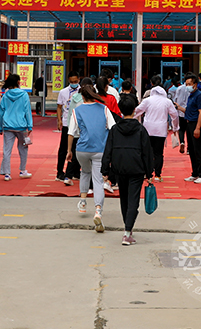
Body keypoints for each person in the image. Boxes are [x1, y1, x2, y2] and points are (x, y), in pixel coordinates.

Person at [102, 94, 153, 246]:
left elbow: (108, 150)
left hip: (119, 168)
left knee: (124, 199)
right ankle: (127, 232)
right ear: (135, 109)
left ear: (120, 110)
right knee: (133, 201)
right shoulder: (140, 130)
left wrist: (105, 171)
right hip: (136, 168)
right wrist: (150, 172)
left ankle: (127, 228)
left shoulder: (115, 129)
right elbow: (147, 152)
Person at [71, 80, 112, 233]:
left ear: (82, 96)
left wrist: (69, 150)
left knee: (84, 172)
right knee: (98, 180)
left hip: (82, 149)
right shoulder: (104, 109)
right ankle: (98, 211)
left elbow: (71, 132)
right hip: (100, 149)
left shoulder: (77, 110)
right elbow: (112, 128)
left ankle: (82, 202)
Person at [135, 83, 176, 181]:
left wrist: (129, 118)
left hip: (148, 129)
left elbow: (138, 111)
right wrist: (175, 127)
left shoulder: (147, 100)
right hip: (160, 131)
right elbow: (174, 115)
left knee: (146, 152)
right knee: (158, 153)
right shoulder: (167, 101)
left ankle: (147, 173)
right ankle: (158, 175)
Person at [0, 74, 32, 180]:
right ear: (18, 82)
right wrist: (29, 125)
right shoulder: (24, 95)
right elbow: (27, 110)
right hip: (21, 125)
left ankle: (6, 173)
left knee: (7, 150)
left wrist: (0, 126)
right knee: (23, 148)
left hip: (8, 126)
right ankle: (23, 170)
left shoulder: (6, 96)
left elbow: (1, 112)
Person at [55, 75, 82, 185]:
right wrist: (59, 120)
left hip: (78, 124)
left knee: (77, 149)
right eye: (71, 81)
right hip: (67, 121)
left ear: (79, 80)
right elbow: (59, 107)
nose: (73, 83)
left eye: (75, 81)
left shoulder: (82, 91)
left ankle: (75, 172)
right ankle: (60, 172)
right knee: (64, 149)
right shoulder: (63, 92)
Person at [182, 75, 201, 184]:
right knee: (191, 150)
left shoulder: (199, 96)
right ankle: (195, 173)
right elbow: (189, 111)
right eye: (186, 84)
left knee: (198, 150)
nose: (187, 86)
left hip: (196, 124)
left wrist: (198, 128)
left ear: (195, 84)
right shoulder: (191, 95)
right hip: (189, 123)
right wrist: (179, 108)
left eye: (189, 84)